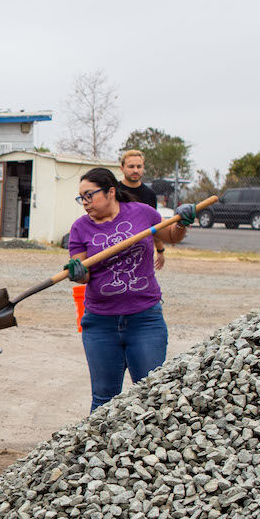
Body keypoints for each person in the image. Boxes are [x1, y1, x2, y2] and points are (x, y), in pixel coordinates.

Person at [66, 168, 194, 411]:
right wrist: (79, 273)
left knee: (150, 395)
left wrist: (182, 223)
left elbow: (171, 235)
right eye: (81, 197)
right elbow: (83, 272)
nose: (84, 203)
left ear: (111, 191)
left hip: (145, 319)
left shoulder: (142, 213)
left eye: (89, 195)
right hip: (100, 323)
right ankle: (99, 448)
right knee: (104, 399)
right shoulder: (80, 228)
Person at [116, 150, 166, 270]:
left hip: (142, 253)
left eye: (139, 166)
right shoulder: (114, 191)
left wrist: (160, 250)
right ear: (122, 168)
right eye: (131, 166)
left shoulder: (150, 194)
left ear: (143, 168)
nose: (135, 170)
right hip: (116, 250)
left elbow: (154, 226)